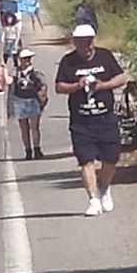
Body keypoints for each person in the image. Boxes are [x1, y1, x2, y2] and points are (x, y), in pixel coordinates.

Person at [54, 24, 128, 217]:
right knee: (86, 160)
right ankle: (93, 200)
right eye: (80, 43)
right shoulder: (68, 62)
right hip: (81, 121)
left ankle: (104, 188)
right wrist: (77, 85)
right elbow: (59, 87)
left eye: (87, 43)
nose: (84, 48)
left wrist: (103, 85)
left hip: (105, 118)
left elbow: (122, 78)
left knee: (110, 159)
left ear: (92, 41)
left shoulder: (104, 56)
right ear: (75, 43)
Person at [9, 49, 48, 160]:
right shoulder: (15, 72)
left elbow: (43, 86)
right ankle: (28, 151)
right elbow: (8, 81)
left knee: (34, 127)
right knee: (23, 128)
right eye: (25, 58)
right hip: (19, 101)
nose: (27, 61)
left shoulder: (35, 74)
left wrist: (42, 98)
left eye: (29, 58)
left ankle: (36, 149)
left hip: (32, 100)